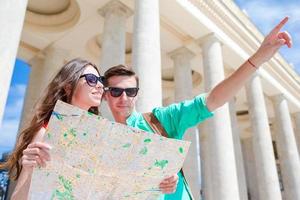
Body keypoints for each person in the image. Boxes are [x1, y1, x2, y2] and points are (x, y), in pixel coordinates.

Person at [102, 17, 292, 200]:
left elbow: (214, 99)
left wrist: (259, 58)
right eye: (116, 91)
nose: (124, 98)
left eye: (131, 91)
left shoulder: (159, 120)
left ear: (137, 94)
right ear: (105, 94)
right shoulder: (102, 141)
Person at [0, 58, 178, 199]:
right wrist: (29, 168)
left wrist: (161, 181)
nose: (100, 85)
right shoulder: (47, 131)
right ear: (69, 87)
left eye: (100, 80)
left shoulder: (102, 138)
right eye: (92, 80)